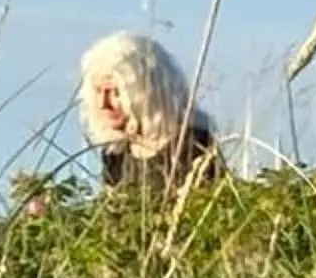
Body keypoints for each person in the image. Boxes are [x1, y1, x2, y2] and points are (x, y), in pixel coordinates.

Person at [76, 29, 222, 194]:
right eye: (98, 92)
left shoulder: (192, 145)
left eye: (114, 92)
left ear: (144, 92)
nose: (104, 104)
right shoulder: (116, 154)